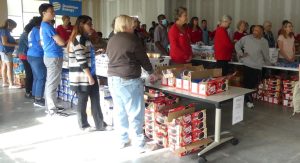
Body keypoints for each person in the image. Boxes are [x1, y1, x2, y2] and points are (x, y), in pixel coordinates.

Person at [106, 15, 157, 153]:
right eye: (131, 23)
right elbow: (143, 58)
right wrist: (151, 72)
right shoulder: (132, 39)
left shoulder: (111, 39)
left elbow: (110, 56)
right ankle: (139, 144)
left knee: (120, 111)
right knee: (135, 113)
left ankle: (122, 139)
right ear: (125, 25)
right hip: (129, 79)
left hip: (112, 79)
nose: (134, 25)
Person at [68, 15, 106, 131]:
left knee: (95, 98)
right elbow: (81, 60)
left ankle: (100, 124)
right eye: (89, 24)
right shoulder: (78, 39)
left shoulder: (86, 39)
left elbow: (87, 56)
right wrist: (89, 76)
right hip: (82, 76)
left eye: (91, 24)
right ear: (81, 25)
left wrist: (97, 53)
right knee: (82, 100)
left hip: (90, 73)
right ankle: (83, 125)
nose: (91, 27)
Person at [39, 3, 66, 115]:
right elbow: (61, 42)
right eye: (52, 11)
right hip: (53, 57)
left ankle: (52, 106)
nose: (54, 13)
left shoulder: (44, 26)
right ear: (44, 13)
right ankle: (51, 109)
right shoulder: (47, 26)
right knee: (51, 83)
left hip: (50, 55)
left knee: (52, 83)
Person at [235, 25, 271, 108]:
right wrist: (241, 53)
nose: (255, 32)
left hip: (257, 66)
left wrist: (268, 63)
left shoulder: (264, 42)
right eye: (254, 30)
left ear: (262, 32)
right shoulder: (246, 38)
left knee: (253, 84)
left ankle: (246, 98)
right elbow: (237, 45)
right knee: (248, 83)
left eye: (257, 30)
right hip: (247, 63)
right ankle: (248, 100)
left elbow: (266, 54)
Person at [27, 16, 46, 107]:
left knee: (36, 77)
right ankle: (38, 99)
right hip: (37, 55)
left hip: (31, 55)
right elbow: (40, 43)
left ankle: (35, 95)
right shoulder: (37, 30)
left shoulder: (31, 30)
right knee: (41, 77)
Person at [16, 19, 36, 97]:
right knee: (29, 73)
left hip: (25, 55)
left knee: (30, 73)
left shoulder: (25, 34)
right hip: (25, 56)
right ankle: (28, 92)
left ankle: (30, 90)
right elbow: (30, 45)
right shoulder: (26, 35)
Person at [0, 19, 20, 88]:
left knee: (4, 66)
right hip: (6, 51)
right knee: (9, 67)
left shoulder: (5, 31)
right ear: (9, 25)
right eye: (13, 27)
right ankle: (11, 84)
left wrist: (15, 42)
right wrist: (16, 45)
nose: (13, 28)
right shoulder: (4, 31)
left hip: (3, 51)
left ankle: (5, 82)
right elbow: (4, 43)